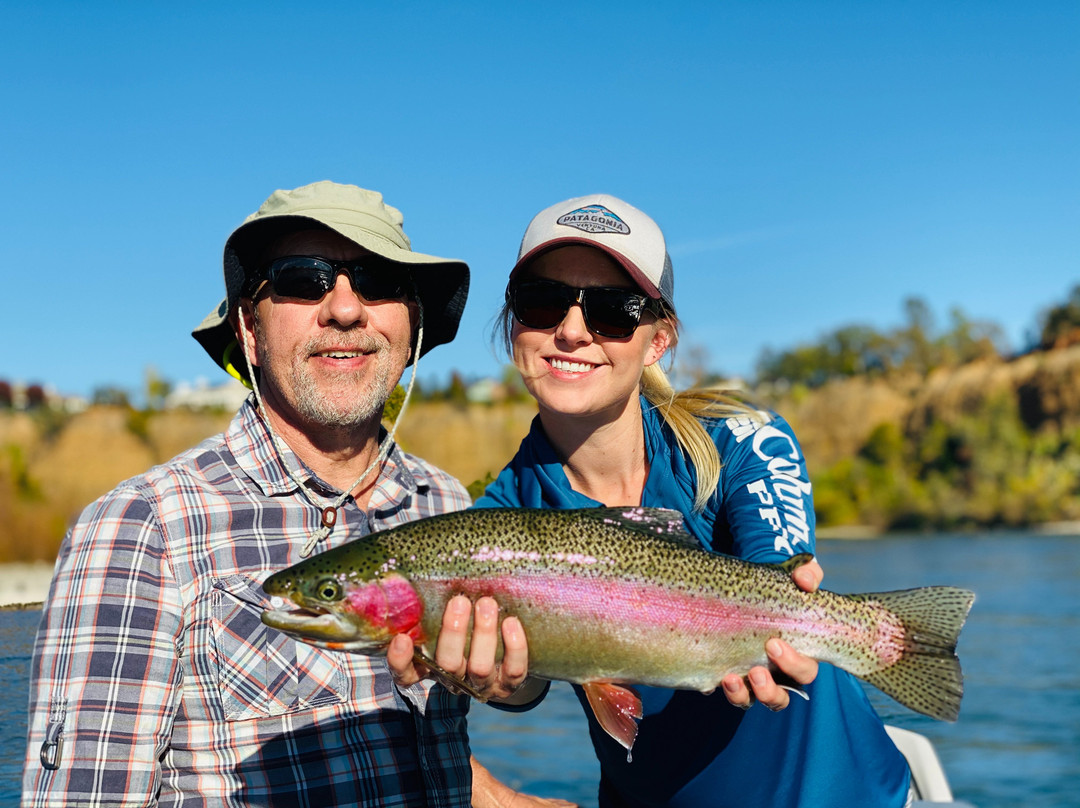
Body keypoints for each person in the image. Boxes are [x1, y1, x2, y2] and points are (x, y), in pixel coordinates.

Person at [21, 181, 558, 808]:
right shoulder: (142, 525)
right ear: (249, 328)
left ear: (411, 327)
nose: (346, 309)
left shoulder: (441, 501)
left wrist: (512, 694)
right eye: (304, 280)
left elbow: (422, 722)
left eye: (379, 279)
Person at [397, 194, 914, 807]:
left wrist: (786, 625)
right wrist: (492, 681)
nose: (571, 330)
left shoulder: (739, 437)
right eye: (541, 303)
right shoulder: (495, 525)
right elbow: (526, 684)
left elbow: (781, 575)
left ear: (658, 339)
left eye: (614, 311)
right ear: (513, 323)